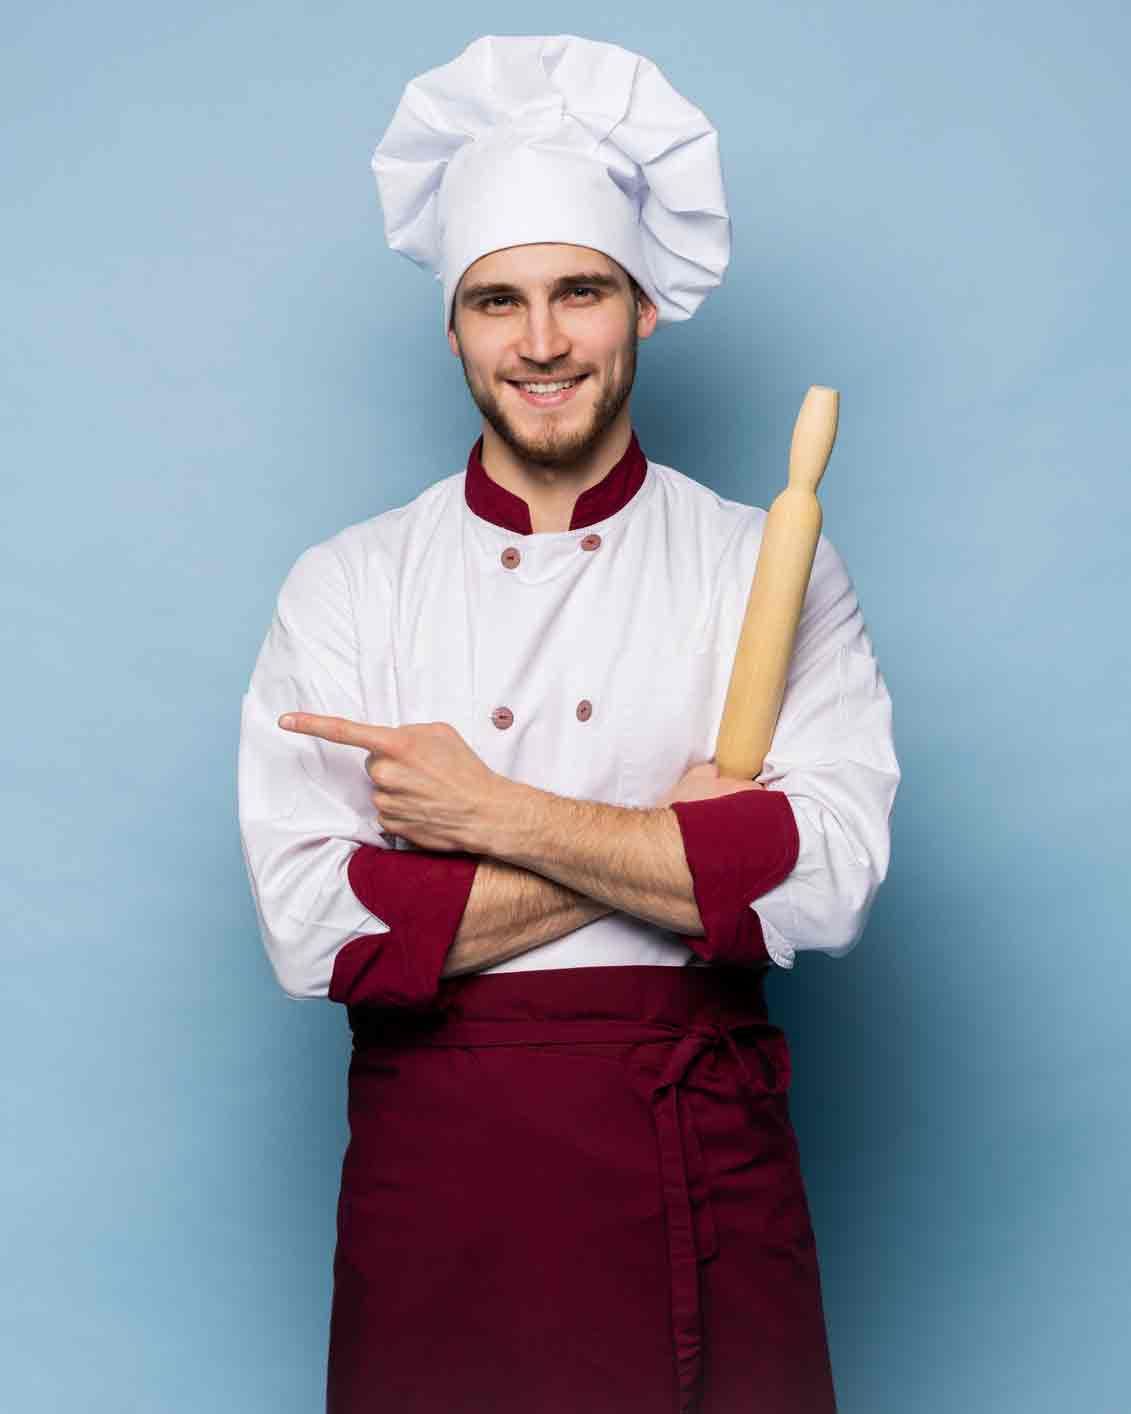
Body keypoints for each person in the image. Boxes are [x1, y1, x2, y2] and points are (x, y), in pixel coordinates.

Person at [237, 33, 900, 1414]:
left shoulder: (756, 563)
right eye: (499, 301)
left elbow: (822, 876)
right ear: (454, 323)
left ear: (643, 304)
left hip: (699, 1176)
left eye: (580, 292)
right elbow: (319, 922)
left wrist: (488, 819)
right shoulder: (350, 584)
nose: (541, 342)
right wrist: (684, 850)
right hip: (446, 1212)